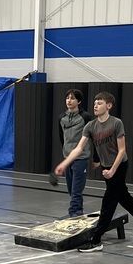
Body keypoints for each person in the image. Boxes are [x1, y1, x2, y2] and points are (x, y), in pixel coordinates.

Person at [54, 91, 133, 253]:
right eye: (95, 102)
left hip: (119, 165)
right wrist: (64, 164)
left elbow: (122, 150)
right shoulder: (90, 126)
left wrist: (113, 170)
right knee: (124, 198)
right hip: (107, 167)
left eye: (99, 103)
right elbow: (79, 148)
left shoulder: (116, 123)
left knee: (108, 202)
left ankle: (96, 240)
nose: (95, 105)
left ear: (109, 106)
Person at [58, 88, 91, 217]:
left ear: (79, 101)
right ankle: (79, 211)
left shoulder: (86, 117)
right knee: (71, 189)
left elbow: (92, 137)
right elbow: (62, 137)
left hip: (81, 158)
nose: (69, 101)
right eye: (67, 98)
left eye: (72, 98)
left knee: (77, 189)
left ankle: (73, 213)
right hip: (68, 158)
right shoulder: (61, 118)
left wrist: (96, 159)